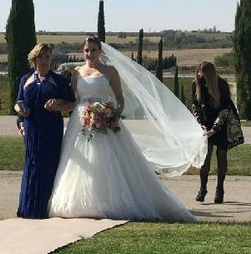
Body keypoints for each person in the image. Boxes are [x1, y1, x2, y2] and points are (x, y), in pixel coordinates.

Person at [48, 37, 199, 222]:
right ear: (83, 51)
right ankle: (83, 202)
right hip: (80, 123)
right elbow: (73, 101)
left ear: (100, 51)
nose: (90, 54)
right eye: (87, 50)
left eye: (93, 50)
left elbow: (120, 100)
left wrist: (112, 117)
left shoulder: (110, 71)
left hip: (106, 121)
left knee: (109, 162)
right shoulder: (77, 72)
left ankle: (110, 202)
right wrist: (57, 106)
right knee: (82, 163)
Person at [15, 43, 75, 219]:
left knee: (48, 166)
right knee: (32, 166)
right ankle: (27, 208)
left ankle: (45, 208)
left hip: (51, 129)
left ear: (51, 59)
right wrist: (20, 119)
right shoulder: (25, 80)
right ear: (34, 59)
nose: (44, 61)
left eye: (47, 57)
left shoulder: (59, 81)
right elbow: (17, 103)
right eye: (41, 57)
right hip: (31, 128)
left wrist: (58, 104)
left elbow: (72, 102)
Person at [192, 62, 238, 204]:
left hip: (222, 122)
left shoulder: (222, 85)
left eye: (203, 74)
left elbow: (224, 110)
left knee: (221, 156)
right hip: (206, 121)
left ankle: (220, 189)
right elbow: (195, 106)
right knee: (205, 156)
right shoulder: (196, 84)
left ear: (209, 74)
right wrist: (200, 124)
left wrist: (215, 129)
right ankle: (202, 188)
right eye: (198, 73)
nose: (200, 76)